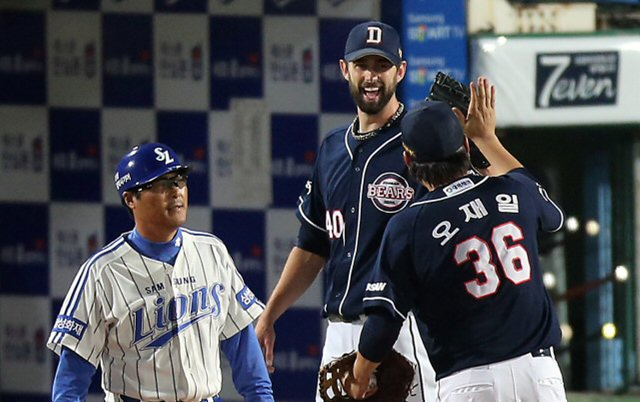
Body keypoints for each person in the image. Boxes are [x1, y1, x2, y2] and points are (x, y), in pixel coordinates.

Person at [346, 77, 568, 401]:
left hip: (470, 383)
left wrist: (359, 376)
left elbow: (384, 322)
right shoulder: (513, 190)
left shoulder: (408, 225)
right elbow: (553, 217)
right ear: (465, 147)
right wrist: (488, 138)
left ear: (409, 162)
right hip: (540, 376)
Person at [255, 21, 436, 401]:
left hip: (402, 327)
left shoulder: (420, 142)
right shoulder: (333, 148)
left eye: (382, 65)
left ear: (400, 72)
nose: (371, 76)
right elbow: (312, 245)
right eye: (362, 65)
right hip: (339, 329)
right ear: (345, 70)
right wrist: (270, 314)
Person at [47, 143, 274, 402]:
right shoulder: (102, 272)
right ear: (131, 199)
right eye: (161, 184)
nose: (176, 191)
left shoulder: (212, 251)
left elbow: (245, 351)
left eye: (179, 180)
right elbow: (71, 381)